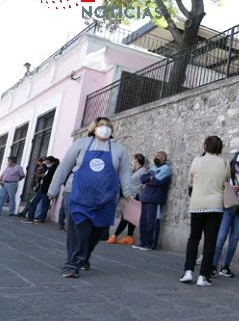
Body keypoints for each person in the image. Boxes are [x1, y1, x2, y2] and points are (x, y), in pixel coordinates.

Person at [47, 117, 137, 278]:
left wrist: (128, 191)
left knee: (98, 231)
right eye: (101, 125)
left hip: (106, 198)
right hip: (77, 195)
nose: (105, 128)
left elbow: (124, 172)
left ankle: (84, 256)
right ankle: (72, 263)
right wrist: (53, 189)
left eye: (108, 126)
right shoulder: (80, 145)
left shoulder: (119, 150)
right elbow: (64, 166)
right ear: (93, 128)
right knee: (78, 229)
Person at [180, 136, 229, 287]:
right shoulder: (224, 163)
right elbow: (225, 182)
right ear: (220, 148)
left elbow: (190, 181)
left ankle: (188, 271)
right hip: (215, 205)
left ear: (205, 146)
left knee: (193, 238)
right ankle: (203, 276)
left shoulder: (196, 161)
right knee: (210, 240)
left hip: (197, 204)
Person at [212, 151, 239, 277]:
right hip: (227, 209)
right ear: (234, 163)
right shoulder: (227, 176)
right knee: (221, 238)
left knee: (234, 240)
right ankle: (213, 265)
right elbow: (219, 190)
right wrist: (231, 188)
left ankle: (226, 266)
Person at [134, 150, 171, 251]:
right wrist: (150, 177)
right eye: (155, 155)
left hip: (155, 199)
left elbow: (156, 181)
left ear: (163, 158)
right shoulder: (153, 168)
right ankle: (143, 242)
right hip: (146, 197)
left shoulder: (166, 169)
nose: (156, 157)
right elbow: (142, 178)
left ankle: (150, 244)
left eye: (158, 156)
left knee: (152, 222)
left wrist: (149, 179)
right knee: (143, 222)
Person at [107, 153, 148, 245]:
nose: (132, 161)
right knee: (130, 218)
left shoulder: (143, 171)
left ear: (137, 160)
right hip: (130, 197)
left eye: (133, 160)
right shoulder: (135, 170)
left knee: (126, 217)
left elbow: (145, 184)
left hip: (135, 197)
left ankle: (114, 236)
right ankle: (129, 237)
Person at [21, 156, 58, 224]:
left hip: (46, 189)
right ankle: (32, 218)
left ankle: (39, 218)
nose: (46, 163)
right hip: (42, 187)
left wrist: (42, 176)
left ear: (52, 162)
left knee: (43, 204)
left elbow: (49, 178)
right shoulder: (48, 168)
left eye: (48, 162)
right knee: (36, 203)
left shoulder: (53, 170)